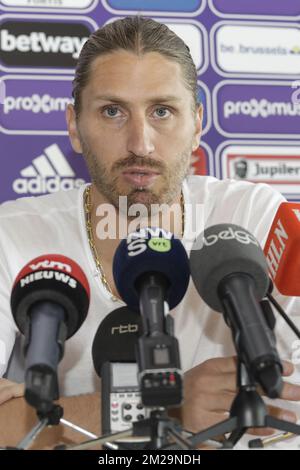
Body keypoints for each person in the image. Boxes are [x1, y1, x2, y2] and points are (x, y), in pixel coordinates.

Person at [0, 17, 299, 438]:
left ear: (196, 124)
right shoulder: (11, 236)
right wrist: (170, 408)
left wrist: (47, 417)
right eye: (112, 111)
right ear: (74, 127)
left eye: (162, 111)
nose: (140, 143)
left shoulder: (255, 216)